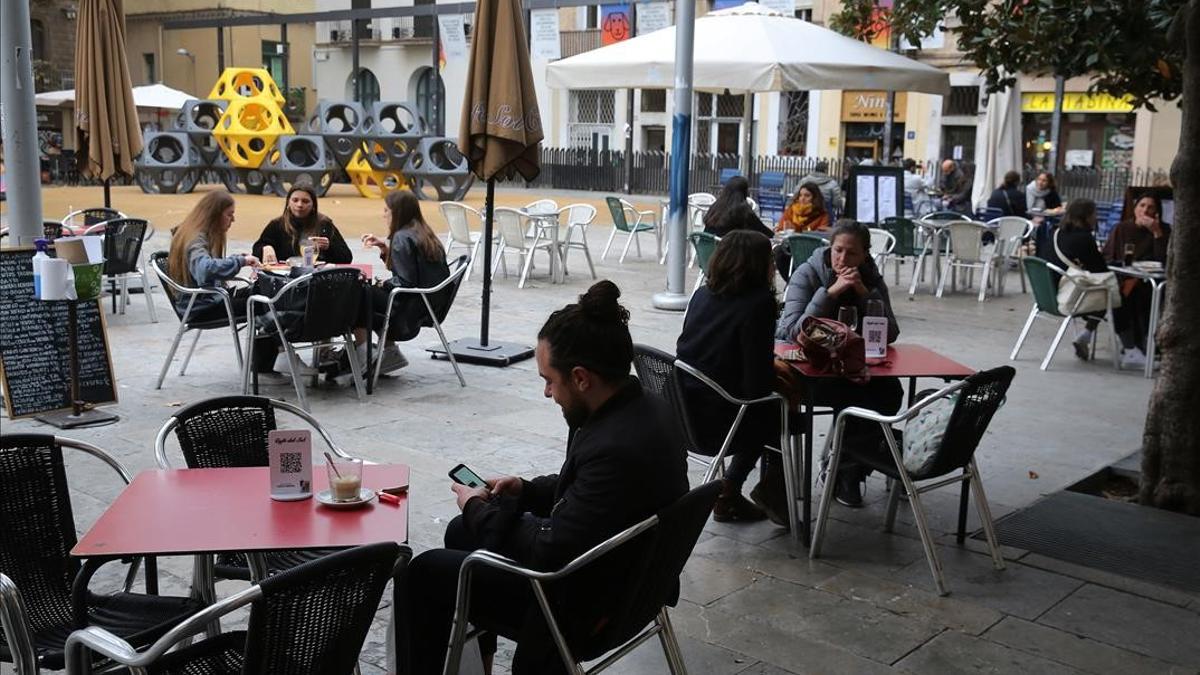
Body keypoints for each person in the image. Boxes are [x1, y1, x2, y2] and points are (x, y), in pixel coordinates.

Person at [401, 281, 689, 675]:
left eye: (549, 380)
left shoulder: (613, 445)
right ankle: (479, 663)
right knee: (460, 530)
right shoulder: (643, 408)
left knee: (423, 574)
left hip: (580, 603)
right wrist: (525, 489)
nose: (547, 393)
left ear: (582, 378)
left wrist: (483, 511)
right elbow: (592, 494)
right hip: (629, 578)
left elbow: (550, 550)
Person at [776, 220, 902, 507]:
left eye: (852, 253)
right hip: (811, 371)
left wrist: (864, 294)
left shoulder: (870, 278)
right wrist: (829, 293)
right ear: (829, 248)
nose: (843, 259)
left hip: (855, 368)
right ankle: (844, 474)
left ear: (866, 255)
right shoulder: (807, 273)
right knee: (856, 396)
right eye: (838, 251)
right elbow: (790, 331)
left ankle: (848, 469)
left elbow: (891, 332)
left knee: (890, 393)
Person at [677, 231, 788, 525]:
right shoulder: (759, 303)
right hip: (718, 422)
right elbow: (755, 386)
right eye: (770, 260)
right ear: (757, 264)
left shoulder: (702, 295)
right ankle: (752, 488)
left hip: (683, 410)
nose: (774, 267)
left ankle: (733, 492)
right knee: (780, 408)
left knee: (769, 409)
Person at [354, 190, 451, 374]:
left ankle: (363, 355)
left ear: (397, 212)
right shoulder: (425, 233)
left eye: (386, 210)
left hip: (409, 310)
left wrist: (382, 284)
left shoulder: (401, 237)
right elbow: (411, 272)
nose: (383, 215)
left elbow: (405, 282)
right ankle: (390, 352)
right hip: (430, 305)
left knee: (358, 293)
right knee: (367, 292)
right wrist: (384, 248)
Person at [166, 189, 260, 323]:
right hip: (201, 308)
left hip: (206, 301)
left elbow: (206, 264)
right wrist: (240, 261)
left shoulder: (194, 233)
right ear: (214, 215)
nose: (233, 219)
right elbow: (204, 269)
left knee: (261, 293)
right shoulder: (195, 238)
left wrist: (238, 259)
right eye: (229, 214)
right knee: (264, 303)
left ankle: (264, 342)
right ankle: (267, 343)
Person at [1100, 194, 1170, 368]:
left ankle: (1139, 346)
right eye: (1142, 206)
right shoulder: (1122, 228)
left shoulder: (1164, 230)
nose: (1145, 210)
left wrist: (1156, 233)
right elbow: (1109, 256)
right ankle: (1134, 346)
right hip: (1126, 277)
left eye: (1150, 207)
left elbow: (1164, 260)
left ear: (1156, 211)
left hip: (1152, 281)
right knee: (1124, 293)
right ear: (1135, 208)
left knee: (1138, 292)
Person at [253, 182, 353, 264]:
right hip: (285, 279)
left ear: (313, 205)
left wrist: (330, 247)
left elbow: (347, 258)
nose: (299, 205)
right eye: (295, 200)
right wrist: (265, 248)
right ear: (288, 202)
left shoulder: (324, 224)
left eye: (305, 201)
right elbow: (255, 252)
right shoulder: (277, 224)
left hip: (315, 278)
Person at [772, 182, 831, 279]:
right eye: (800, 195)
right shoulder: (791, 210)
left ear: (815, 198)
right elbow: (780, 229)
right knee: (779, 253)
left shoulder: (822, 215)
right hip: (790, 248)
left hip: (810, 250)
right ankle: (791, 281)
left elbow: (821, 234)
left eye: (807, 195)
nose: (802, 198)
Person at [704, 201, 773, 239]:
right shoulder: (742, 208)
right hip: (729, 258)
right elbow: (759, 227)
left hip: (706, 255)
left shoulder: (715, 206)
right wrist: (773, 235)